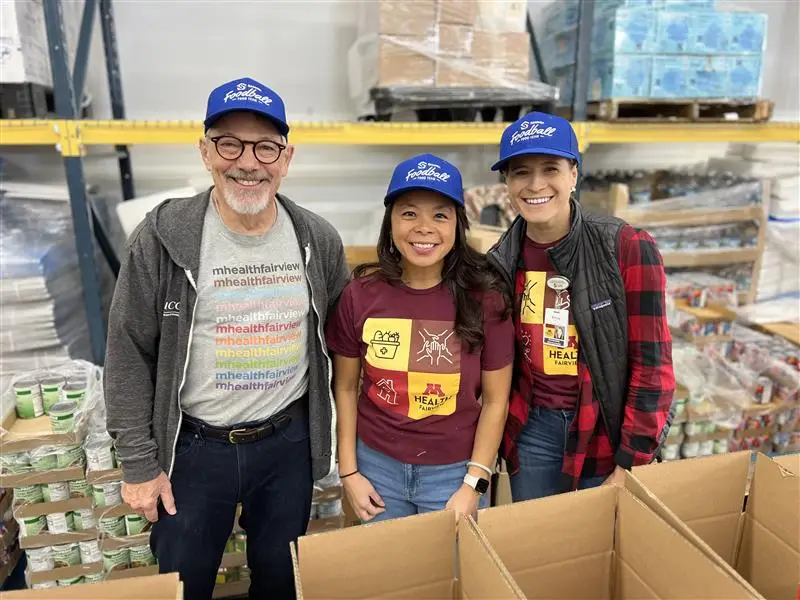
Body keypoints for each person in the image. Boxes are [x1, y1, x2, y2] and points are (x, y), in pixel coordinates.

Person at [103, 76, 349, 600]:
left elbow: (348, 340)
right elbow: (127, 350)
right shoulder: (164, 236)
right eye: (229, 143)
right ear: (205, 151)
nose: (248, 162)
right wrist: (140, 465)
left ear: (286, 158)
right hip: (194, 449)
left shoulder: (317, 241)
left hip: (287, 445)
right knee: (183, 584)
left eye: (265, 147)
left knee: (281, 582)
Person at [485, 112, 676, 501]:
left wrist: (630, 463)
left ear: (573, 174)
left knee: (601, 548)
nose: (535, 184)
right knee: (539, 546)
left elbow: (652, 365)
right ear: (507, 183)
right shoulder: (500, 261)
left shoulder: (624, 247)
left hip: (604, 429)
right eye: (521, 172)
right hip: (533, 430)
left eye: (550, 168)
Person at [325, 153, 515, 523]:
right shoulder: (360, 294)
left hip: (455, 475)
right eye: (409, 213)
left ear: (458, 225)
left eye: (440, 215)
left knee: (457, 577)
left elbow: (496, 401)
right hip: (375, 470)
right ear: (390, 222)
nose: (424, 227)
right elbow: (345, 388)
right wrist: (348, 471)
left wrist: (474, 483)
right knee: (390, 579)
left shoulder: (486, 299)